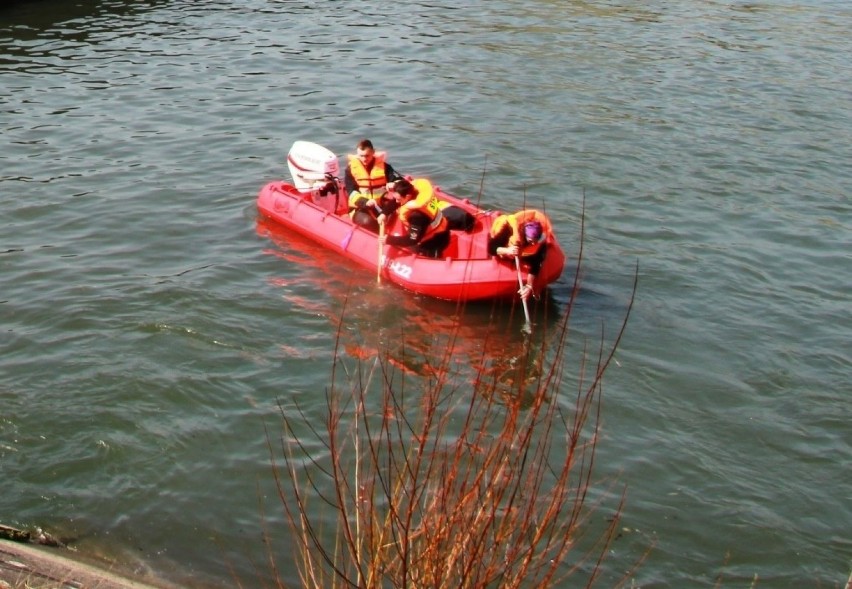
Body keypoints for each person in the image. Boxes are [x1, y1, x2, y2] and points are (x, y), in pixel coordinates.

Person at [487, 209, 552, 300]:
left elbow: (536, 264)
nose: (534, 244)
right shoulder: (509, 230)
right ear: (525, 236)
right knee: (498, 246)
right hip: (505, 245)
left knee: (539, 253)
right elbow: (490, 248)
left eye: (536, 241)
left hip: (522, 249)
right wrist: (507, 250)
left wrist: (529, 286)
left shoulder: (539, 242)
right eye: (531, 241)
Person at [379, 178, 451, 258]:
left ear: (407, 196)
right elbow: (396, 202)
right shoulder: (414, 193)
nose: (396, 201)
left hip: (434, 241)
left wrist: (389, 240)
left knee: (428, 255)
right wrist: (384, 213)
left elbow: (412, 239)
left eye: (398, 199)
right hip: (435, 230)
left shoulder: (417, 216)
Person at [344, 138, 403, 231]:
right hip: (360, 208)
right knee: (368, 222)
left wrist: (394, 184)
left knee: (400, 216)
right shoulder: (350, 169)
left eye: (367, 156)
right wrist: (365, 202)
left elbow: (400, 181)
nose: (364, 159)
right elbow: (351, 192)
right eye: (361, 156)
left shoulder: (385, 167)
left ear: (373, 152)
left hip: (381, 206)